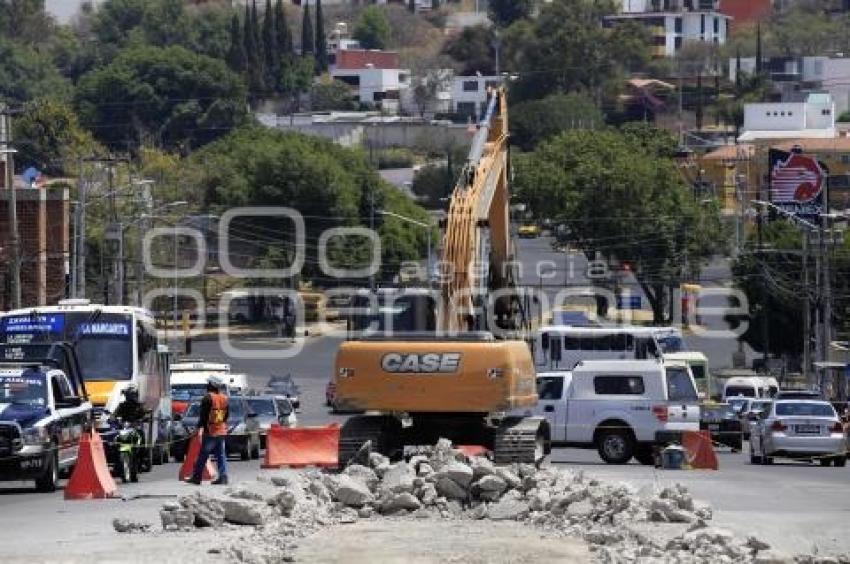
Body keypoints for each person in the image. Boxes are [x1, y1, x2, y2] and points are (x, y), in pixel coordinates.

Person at [187, 376, 229, 485]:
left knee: (203, 455)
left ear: (211, 385)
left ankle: (196, 477)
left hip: (210, 431)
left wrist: (197, 429)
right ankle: (223, 477)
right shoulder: (224, 398)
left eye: (208, 384)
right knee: (220, 455)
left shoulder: (207, 398)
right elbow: (226, 416)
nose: (207, 386)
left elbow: (203, 417)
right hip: (221, 430)